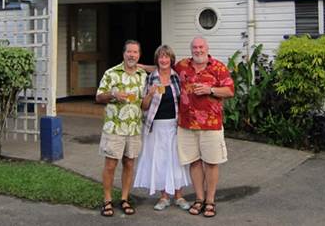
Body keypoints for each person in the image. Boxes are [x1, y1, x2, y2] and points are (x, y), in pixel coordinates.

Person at [174, 37, 234, 218]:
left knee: (211, 162)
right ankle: (199, 198)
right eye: (194, 47)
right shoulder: (182, 65)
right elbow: (162, 69)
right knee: (194, 162)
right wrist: (139, 67)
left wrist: (210, 90)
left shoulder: (218, 67)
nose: (198, 50)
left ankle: (210, 200)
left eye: (201, 47)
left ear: (207, 48)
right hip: (186, 124)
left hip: (211, 124)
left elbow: (230, 91)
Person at [134, 45, 191, 211]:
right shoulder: (151, 78)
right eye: (161, 57)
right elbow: (144, 106)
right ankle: (164, 197)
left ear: (171, 59)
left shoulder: (177, 77)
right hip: (156, 126)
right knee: (159, 160)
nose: (164, 60)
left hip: (174, 125)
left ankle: (179, 196)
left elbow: (183, 100)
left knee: (176, 160)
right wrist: (150, 94)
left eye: (167, 57)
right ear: (157, 60)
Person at [95, 40, 147, 217]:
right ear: (123, 54)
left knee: (129, 164)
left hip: (134, 127)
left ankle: (124, 198)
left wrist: (154, 93)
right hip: (115, 127)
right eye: (129, 52)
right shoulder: (111, 73)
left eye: (135, 52)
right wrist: (113, 94)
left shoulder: (142, 75)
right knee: (110, 165)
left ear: (139, 55)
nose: (132, 55)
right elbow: (99, 97)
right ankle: (107, 200)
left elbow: (145, 103)